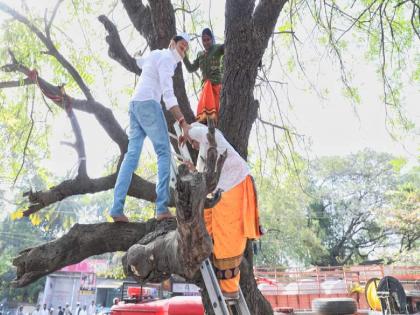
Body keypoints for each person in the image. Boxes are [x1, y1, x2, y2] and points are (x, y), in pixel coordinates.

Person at [110, 33, 192, 222]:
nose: (183, 52)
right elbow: (168, 95)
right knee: (164, 152)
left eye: (186, 50)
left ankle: (117, 208)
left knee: (131, 156)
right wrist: (183, 122)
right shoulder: (166, 59)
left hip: (135, 105)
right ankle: (162, 208)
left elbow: (139, 62)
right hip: (148, 104)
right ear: (172, 44)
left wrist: (137, 56)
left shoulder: (155, 55)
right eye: (181, 47)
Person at [187, 122, 261, 299]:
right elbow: (202, 178)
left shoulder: (207, 135)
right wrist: (191, 170)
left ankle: (229, 288)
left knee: (229, 236)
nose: (193, 145)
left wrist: (185, 129)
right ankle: (221, 282)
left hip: (235, 185)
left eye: (192, 142)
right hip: (222, 190)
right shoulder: (204, 153)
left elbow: (196, 132)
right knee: (208, 225)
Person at [183, 28, 224, 123]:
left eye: (208, 39)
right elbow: (190, 68)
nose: (206, 43)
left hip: (215, 85)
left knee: (214, 113)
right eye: (204, 40)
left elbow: (229, 47)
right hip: (205, 88)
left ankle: (213, 125)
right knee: (203, 117)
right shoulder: (200, 54)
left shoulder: (217, 48)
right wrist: (183, 53)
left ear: (212, 39)